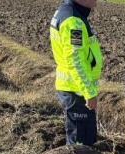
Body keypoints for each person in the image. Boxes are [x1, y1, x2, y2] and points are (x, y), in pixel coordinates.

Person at [50, 0, 102, 146]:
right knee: (80, 143)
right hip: (76, 90)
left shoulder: (69, 12)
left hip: (75, 88)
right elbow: (76, 61)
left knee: (84, 139)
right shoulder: (73, 21)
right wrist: (89, 92)